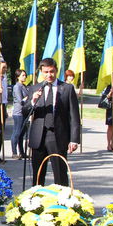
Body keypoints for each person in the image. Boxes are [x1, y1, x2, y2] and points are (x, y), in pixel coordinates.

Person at [25, 57, 80, 186]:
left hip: (57, 135)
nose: (49, 75)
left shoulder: (67, 88)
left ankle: (62, 202)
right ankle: (36, 201)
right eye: (46, 72)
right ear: (41, 72)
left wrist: (74, 139)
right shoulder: (35, 88)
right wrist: (33, 101)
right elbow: (25, 111)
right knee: (38, 174)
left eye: (52, 71)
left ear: (56, 71)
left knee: (60, 174)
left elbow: (74, 116)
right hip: (38, 135)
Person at [10, 69, 29, 159]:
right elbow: (20, 99)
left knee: (22, 133)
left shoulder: (24, 86)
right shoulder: (17, 86)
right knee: (16, 132)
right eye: (22, 75)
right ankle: (14, 152)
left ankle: (22, 152)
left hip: (25, 112)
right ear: (18, 77)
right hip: (19, 112)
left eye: (25, 75)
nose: (24, 77)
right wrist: (29, 98)